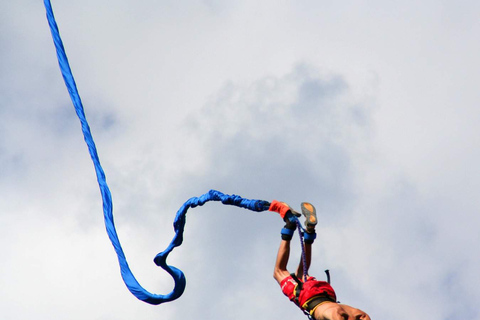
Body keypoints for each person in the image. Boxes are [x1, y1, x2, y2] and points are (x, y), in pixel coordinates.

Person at [269, 200, 371, 320]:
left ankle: (309, 235)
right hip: (313, 299)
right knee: (279, 272)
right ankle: (290, 226)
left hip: (328, 295)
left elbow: (365, 317)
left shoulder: (357, 314)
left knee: (302, 273)